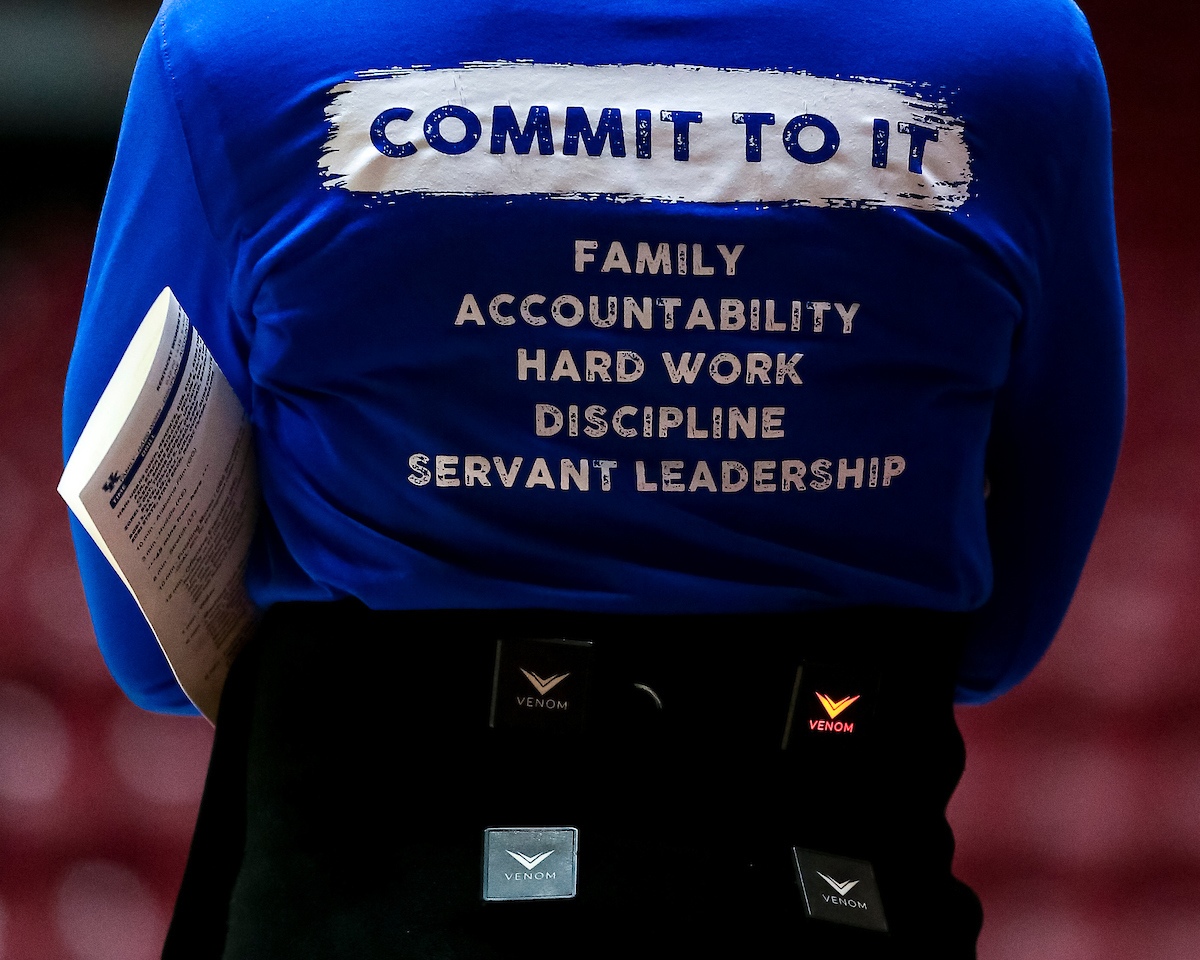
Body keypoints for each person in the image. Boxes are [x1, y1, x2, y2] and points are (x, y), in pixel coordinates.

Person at [62, 0, 1124, 956]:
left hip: (364, 882)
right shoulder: (1022, 53)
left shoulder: (235, 45)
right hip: (834, 860)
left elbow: (148, 645)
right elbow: (1007, 634)